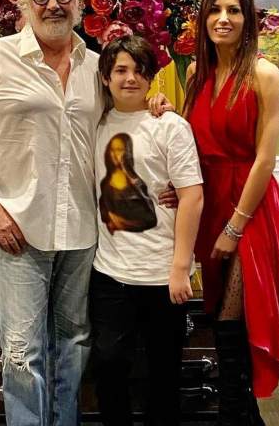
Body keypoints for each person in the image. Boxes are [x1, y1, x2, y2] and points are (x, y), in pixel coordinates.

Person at [0, 0, 173, 425]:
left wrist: (156, 105)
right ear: (23, 2)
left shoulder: (97, 66)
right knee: (21, 350)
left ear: (81, 1)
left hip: (84, 230)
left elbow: (124, 120)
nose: (53, 4)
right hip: (18, 228)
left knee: (75, 342)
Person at [184, 0, 279, 425]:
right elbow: (189, 143)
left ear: (248, 19)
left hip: (252, 208)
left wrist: (235, 225)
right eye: (215, 10)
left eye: (233, 10)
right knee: (218, 316)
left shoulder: (264, 74)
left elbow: (266, 159)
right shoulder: (195, 74)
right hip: (210, 201)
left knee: (235, 322)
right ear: (203, 18)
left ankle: (234, 416)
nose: (223, 19)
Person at [89, 35, 204, 426]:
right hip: (109, 273)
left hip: (161, 275)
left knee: (163, 373)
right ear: (105, 77)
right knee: (108, 365)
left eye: (140, 71)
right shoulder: (95, 125)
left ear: (152, 77)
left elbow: (192, 197)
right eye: (121, 70)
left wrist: (180, 267)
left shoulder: (171, 126)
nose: (130, 79)